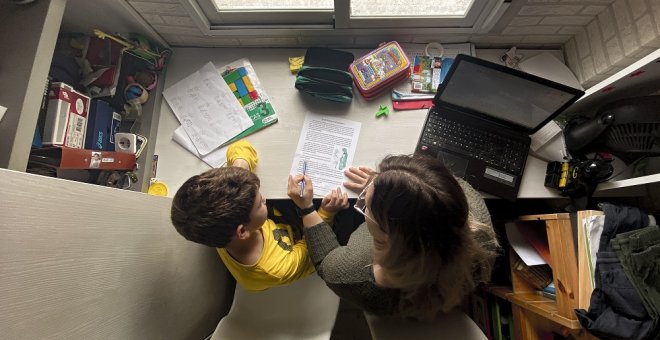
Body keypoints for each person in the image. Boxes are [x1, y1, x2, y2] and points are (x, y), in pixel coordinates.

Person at [287, 154, 500, 319]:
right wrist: (392, 184)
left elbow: (326, 261)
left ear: (389, 237)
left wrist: (306, 209)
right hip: (441, 298)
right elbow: (446, 184)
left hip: (392, 308)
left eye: (365, 205)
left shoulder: (356, 273)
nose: (361, 201)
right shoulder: (480, 229)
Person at [171, 140, 348, 291]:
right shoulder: (276, 268)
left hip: (282, 224)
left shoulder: (220, 223)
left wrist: (241, 168)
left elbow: (240, 146)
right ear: (242, 231)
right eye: (260, 203)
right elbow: (315, 252)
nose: (264, 198)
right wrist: (321, 212)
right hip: (306, 249)